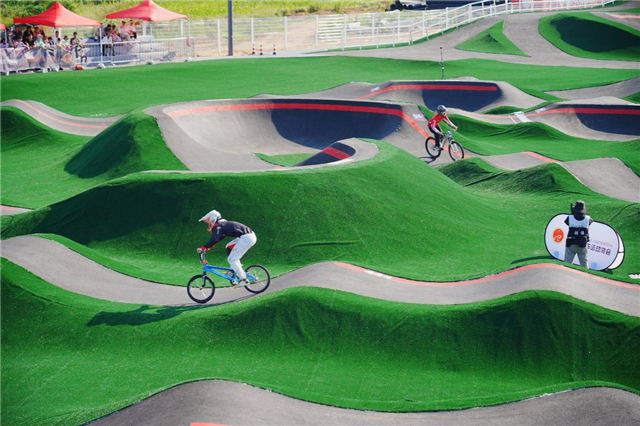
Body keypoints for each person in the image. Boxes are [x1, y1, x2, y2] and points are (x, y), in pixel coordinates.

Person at [197, 210, 257, 286]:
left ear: (212, 218)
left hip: (247, 238)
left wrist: (204, 247)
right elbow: (219, 237)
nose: (208, 224)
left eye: (208, 221)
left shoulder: (218, 225)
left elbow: (215, 239)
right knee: (228, 247)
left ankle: (244, 280)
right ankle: (234, 270)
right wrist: (208, 246)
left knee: (232, 259)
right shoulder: (222, 224)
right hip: (248, 236)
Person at [564, 200, 593, 269]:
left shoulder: (569, 218)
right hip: (582, 245)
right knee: (584, 264)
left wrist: (572, 213)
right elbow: (591, 221)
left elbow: (567, 221)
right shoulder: (588, 219)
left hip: (571, 244)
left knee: (567, 264)